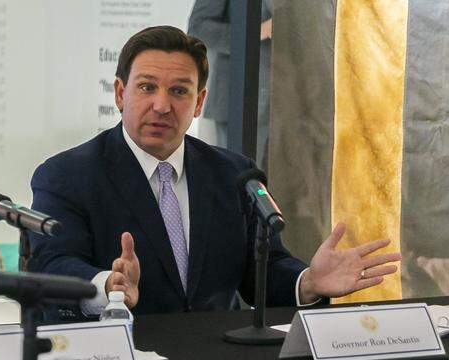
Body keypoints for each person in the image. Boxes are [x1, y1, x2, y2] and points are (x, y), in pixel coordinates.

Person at [27, 26, 399, 319]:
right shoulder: (66, 175)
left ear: (200, 101)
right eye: (146, 88)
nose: (161, 105)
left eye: (178, 91)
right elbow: (53, 263)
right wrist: (108, 285)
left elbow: (263, 274)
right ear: (121, 94)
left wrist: (310, 282)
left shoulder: (235, 174)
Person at [188, 0, 273, 163]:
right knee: (234, 179)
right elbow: (199, 29)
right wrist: (257, 31)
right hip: (239, 103)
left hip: (293, 101)